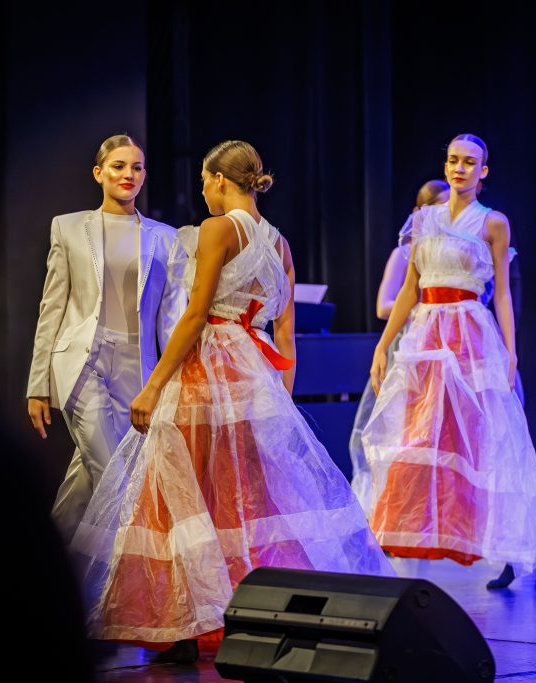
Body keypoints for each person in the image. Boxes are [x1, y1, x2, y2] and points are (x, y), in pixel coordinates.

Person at [71, 140, 392, 663]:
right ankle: (252, 614)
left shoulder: (218, 229)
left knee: (183, 489)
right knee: (246, 497)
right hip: (254, 376)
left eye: (204, 181)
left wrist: (153, 386)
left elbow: (196, 314)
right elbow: (285, 332)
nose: (202, 191)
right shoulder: (279, 242)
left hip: (208, 369)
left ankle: (183, 622)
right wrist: (278, 398)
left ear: (220, 179)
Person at [362, 133, 536, 590]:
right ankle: (407, 534)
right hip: (426, 333)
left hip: (469, 334)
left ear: (483, 170)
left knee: (484, 436)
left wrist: (511, 350)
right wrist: (382, 345)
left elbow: (501, 293)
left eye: (469, 162)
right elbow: (410, 288)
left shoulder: (493, 222)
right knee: (417, 434)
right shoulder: (424, 219)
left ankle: (503, 547)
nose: (459, 168)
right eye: (453, 160)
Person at [26, 134, 184, 539]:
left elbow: (171, 318)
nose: (128, 174)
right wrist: (38, 385)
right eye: (118, 166)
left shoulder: (166, 237)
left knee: (87, 481)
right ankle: (121, 572)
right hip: (83, 363)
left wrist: (173, 382)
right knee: (115, 477)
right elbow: (52, 308)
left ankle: (55, 559)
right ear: (99, 173)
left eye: (137, 167)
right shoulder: (68, 227)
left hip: (138, 369)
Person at [348, 179, 449, 511]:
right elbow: (384, 306)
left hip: (438, 346)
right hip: (408, 344)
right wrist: (427, 301)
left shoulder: (451, 251)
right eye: (439, 206)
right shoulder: (405, 253)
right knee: (394, 428)